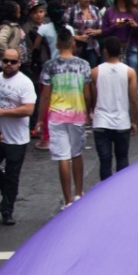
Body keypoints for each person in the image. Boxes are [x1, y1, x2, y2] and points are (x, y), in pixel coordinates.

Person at [0, 46, 37, 226]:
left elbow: (28, 109)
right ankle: (6, 190)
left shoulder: (25, 83)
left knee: (13, 174)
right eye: (6, 61)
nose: (8, 65)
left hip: (17, 138)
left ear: (19, 63)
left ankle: (7, 209)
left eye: (13, 62)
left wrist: (2, 112)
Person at [39, 36, 91, 210]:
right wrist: (88, 111)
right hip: (77, 113)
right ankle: (79, 193)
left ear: (57, 45)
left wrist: (40, 118)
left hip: (57, 115)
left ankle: (67, 199)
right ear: (73, 43)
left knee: (62, 157)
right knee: (77, 153)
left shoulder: (50, 66)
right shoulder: (83, 65)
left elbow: (45, 95)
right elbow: (87, 93)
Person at [90, 36, 138, 181]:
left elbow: (92, 96)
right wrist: (134, 121)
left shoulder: (95, 72)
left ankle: (105, 192)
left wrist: (91, 112)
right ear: (120, 51)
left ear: (105, 51)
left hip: (101, 122)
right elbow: (134, 100)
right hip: (121, 122)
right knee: (122, 158)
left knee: (105, 161)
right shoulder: (129, 72)